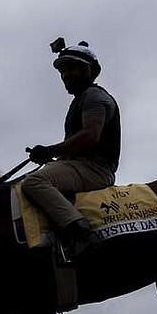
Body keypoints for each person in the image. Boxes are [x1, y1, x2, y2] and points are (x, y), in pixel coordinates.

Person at [22, 40, 121, 259]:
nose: (65, 74)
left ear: (89, 71)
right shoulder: (81, 100)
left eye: (71, 68)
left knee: (34, 182)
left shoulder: (94, 96)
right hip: (78, 165)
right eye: (63, 70)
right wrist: (52, 156)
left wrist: (50, 151)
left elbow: (90, 136)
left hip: (94, 170)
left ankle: (81, 233)